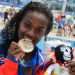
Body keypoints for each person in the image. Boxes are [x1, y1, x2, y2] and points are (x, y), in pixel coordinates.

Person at [0, 1, 53, 75]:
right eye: (27, 25)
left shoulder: (42, 62)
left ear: (45, 33)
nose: (31, 33)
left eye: (39, 30)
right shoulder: (1, 50)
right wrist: (10, 62)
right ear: (19, 23)